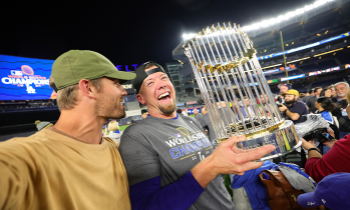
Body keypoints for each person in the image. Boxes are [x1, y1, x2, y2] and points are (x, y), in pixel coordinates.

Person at [119, 61, 275, 210]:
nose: (161, 84)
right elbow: (146, 206)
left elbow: (209, 170)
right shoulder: (136, 136)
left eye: (164, 78)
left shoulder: (190, 121)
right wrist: (211, 166)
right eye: (150, 83)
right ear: (141, 99)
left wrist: (228, 161)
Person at [0, 50, 136, 209]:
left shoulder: (116, 149)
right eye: (116, 83)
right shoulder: (24, 158)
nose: (124, 91)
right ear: (88, 88)